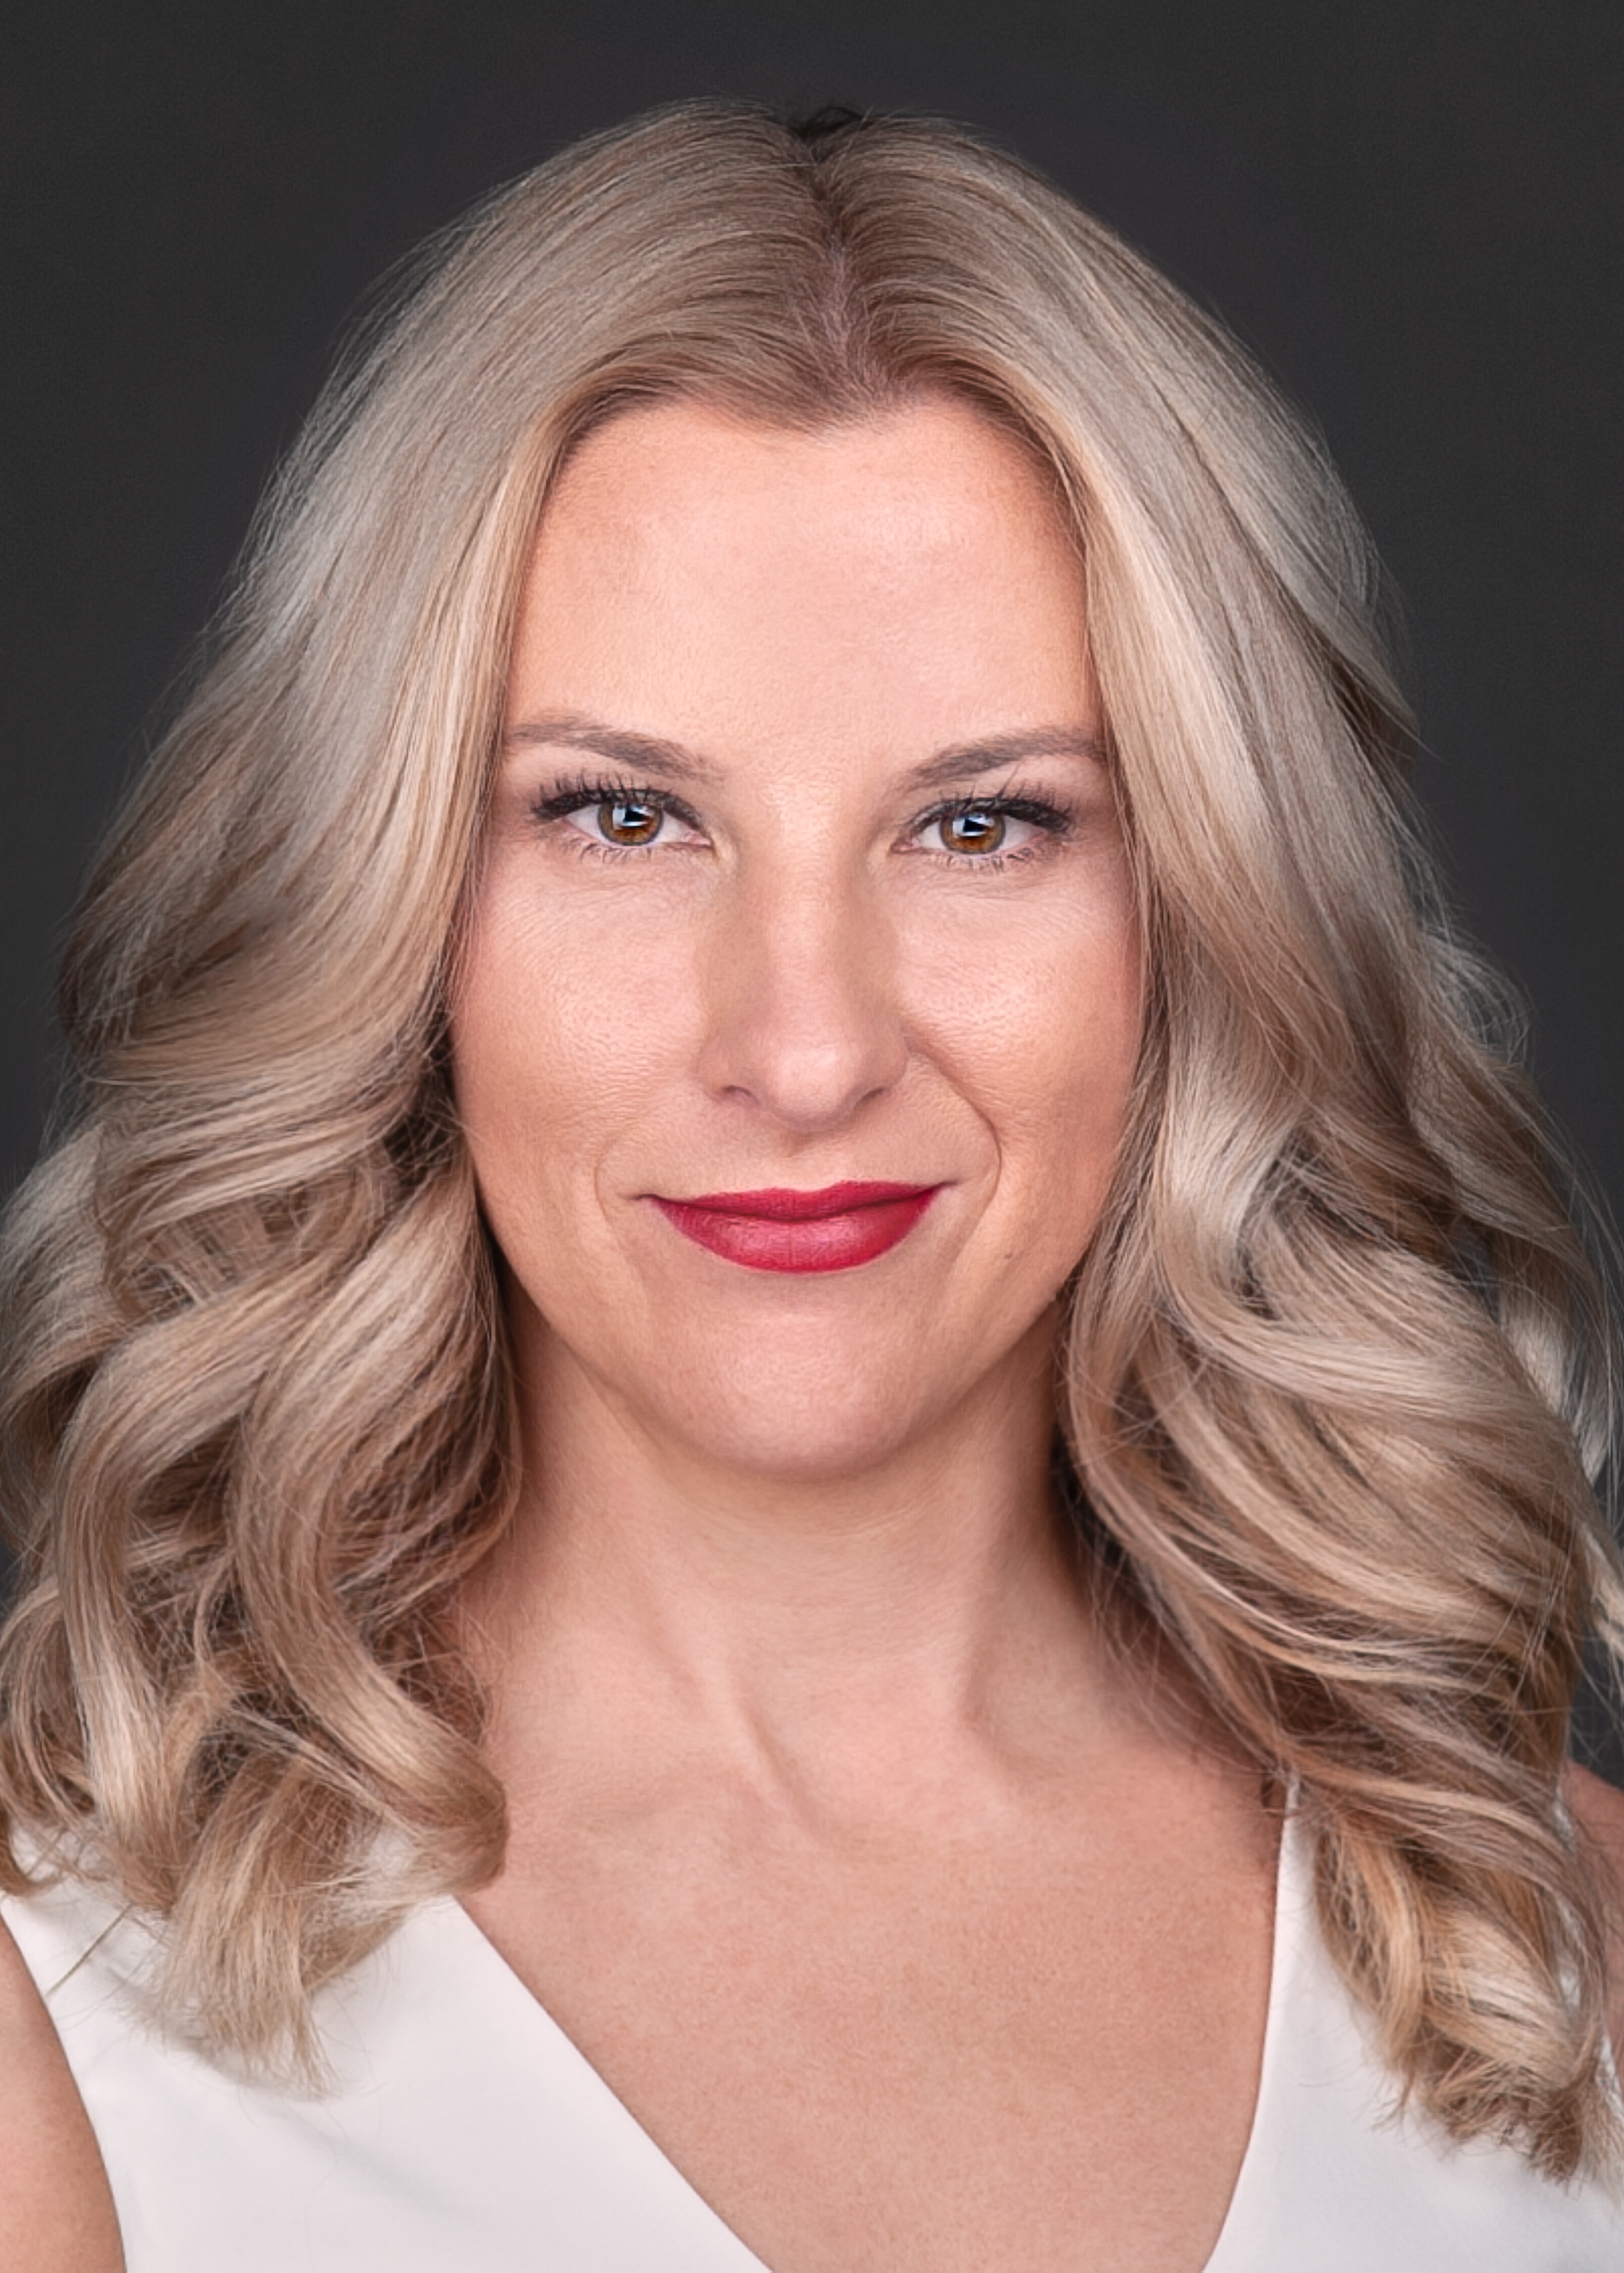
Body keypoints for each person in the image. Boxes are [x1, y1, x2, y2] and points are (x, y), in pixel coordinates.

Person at [1, 98, 1621, 2272]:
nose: (803, 1043)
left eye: (982, 825)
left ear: (1201, 911)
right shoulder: (58, 2017)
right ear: (394, 914)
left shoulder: (1561, 1948)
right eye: (616, 816)